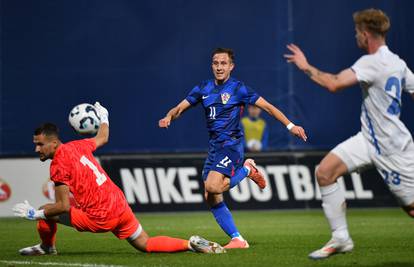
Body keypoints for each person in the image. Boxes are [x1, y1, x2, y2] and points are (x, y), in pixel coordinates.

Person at [284, 8, 414, 260]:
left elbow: (333, 83)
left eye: (357, 32)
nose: (355, 36)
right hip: (368, 139)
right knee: (324, 172)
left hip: (392, 148)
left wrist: (305, 66)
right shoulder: (397, 63)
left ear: (366, 34)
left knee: (411, 208)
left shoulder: (371, 62)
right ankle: (341, 238)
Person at [13, 102, 225, 255]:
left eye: (40, 144)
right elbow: (103, 137)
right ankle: (190, 244)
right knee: (145, 244)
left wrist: (35, 213)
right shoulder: (77, 146)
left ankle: (47, 247)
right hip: (118, 203)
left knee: (47, 210)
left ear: (54, 143)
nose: (36, 148)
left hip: (100, 216)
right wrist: (104, 116)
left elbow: (62, 206)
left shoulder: (58, 164)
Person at [159, 48, 307, 249]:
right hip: (214, 147)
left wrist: (291, 126)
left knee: (213, 186)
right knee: (210, 196)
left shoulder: (239, 89)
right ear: (212, 65)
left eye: (223, 63)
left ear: (231, 66)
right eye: (215, 63)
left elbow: (269, 108)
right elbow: (179, 108)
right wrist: (169, 116)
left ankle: (247, 169)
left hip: (232, 146)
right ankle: (238, 239)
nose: (219, 67)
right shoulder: (203, 88)